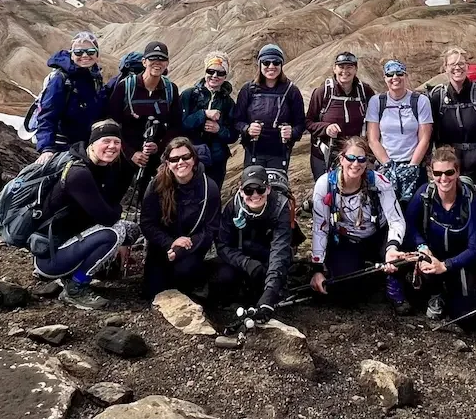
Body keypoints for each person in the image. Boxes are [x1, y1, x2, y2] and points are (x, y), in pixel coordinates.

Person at [31, 120, 137, 310]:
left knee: (130, 230)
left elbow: (107, 206)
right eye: (106, 141)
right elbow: (108, 217)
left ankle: (87, 269)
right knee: (116, 232)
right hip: (50, 258)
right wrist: (115, 215)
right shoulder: (79, 174)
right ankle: (76, 287)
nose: (112, 146)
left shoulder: (97, 166)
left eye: (116, 142)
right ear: (92, 143)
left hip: (63, 244)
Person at [310, 137, 411, 314]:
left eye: (361, 159)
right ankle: (369, 275)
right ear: (341, 159)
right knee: (345, 293)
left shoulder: (379, 182)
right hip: (345, 238)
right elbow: (320, 227)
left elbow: (396, 219)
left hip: (377, 235)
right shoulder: (325, 184)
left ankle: (393, 283)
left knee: (401, 257)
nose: (355, 164)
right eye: (350, 158)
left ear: (367, 162)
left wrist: (391, 248)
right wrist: (317, 268)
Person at [405, 146, 476, 321]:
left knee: (466, 318)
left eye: (449, 172)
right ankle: (435, 294)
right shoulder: (424, 195)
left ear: (457, 172)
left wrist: (447, 265)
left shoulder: (470, 201)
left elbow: (475, 247)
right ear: (431, 174)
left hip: (460, 260)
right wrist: (422, 247)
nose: (443, 178)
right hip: (431, 255)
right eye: (438, 173)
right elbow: (410, 225)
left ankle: (451, 294)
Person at [140, 137, 221, 299]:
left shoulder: (209, 187)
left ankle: (201, 278)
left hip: (191, 248)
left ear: (194, 159)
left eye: (186, 157)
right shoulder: (156, 184)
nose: (181, 162)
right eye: (174, 159)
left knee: (183, 275)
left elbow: (211, 229)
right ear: (168, 163)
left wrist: (184, 247)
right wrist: (169, 243)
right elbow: (147, 223)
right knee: (152, 292)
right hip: (162, 247)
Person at [215, 165, 293, 320]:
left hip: (268, 257)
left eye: (260, 189)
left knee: (270, 283)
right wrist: (246, 263)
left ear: (268, 189)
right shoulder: (233, 207)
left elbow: (280, 250)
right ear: (241, 190)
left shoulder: (281, 208)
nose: (255, 195)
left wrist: (269, 293)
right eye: (249, 191)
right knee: (224, 277)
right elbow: (222, 245)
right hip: (241, 256)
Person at [108, 41, 182, 197]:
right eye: (152, 58)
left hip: (155, 156)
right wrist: (130, 153)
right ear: (144, 62)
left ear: (167, 63)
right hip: (125, 154)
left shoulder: (170, 90)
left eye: (161, 59)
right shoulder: (125, 87)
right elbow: (112, 124)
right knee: (114, 194)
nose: (157, 62)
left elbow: (175, 125)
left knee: (153, 198)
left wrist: (160, 147)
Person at [429, 47, 476, 190]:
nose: (457, 68)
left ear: (467, 67)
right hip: (450, 168)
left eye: (461, 64)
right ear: (445, 68)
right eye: (453, 64)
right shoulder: (437, 98)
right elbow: (430, 132)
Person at [366, 60, 433, 204]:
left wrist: (413, 166)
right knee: (387, 210)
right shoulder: (376, 102)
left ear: (405, 75)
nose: (395, 77)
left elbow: (425, 137)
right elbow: (373, 139)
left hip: (414, 164)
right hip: (386, 166)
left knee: (415, 212)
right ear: (384, 78)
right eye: (390, 74)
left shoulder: (420, 101)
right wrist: (387, 165)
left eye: (399, 73)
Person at [35, 31, 106, 164]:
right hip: (62, 147)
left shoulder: (95, 77)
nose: (85, 55)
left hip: (85, 146)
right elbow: (47, 116)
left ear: (97, 55)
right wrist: (46, 149)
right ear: (71, 54)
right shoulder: (60, 79)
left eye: (90, 51)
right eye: (78, 52)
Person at [233, 44, 306, 172]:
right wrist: (247, 129)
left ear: (281, 65)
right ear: (260, 64)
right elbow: (236, 120)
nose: (271, 66)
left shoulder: (291, 91)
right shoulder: (248, 90)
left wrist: (292, 133)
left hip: (280, 152)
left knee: (276, 189)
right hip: (254, 150)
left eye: (276, 62)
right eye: (266, 62)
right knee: (253, 189)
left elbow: (301, 123)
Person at [306, 51, 375, 180]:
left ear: (356, 69)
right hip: (325, 154)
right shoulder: (322, 92)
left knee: (357, 190)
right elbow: (309, 122)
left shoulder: (365, 92)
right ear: (334, 68)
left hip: (355, 156)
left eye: (349, 67)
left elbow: (375, 120)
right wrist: (326, 128)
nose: (345, 71)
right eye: (341, 67)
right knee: (327, 191)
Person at [180, 51, 239, 190]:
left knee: (211, 195)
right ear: (205, 71)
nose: (214, 76)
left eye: (220, 73)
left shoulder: (229, 103)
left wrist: (219, 130)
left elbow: (234, 135)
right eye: (210, 71)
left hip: (216, 161)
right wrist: (203, 114)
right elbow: (180, 125)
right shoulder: (189, 95)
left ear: (225, 76)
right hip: (189, 156)